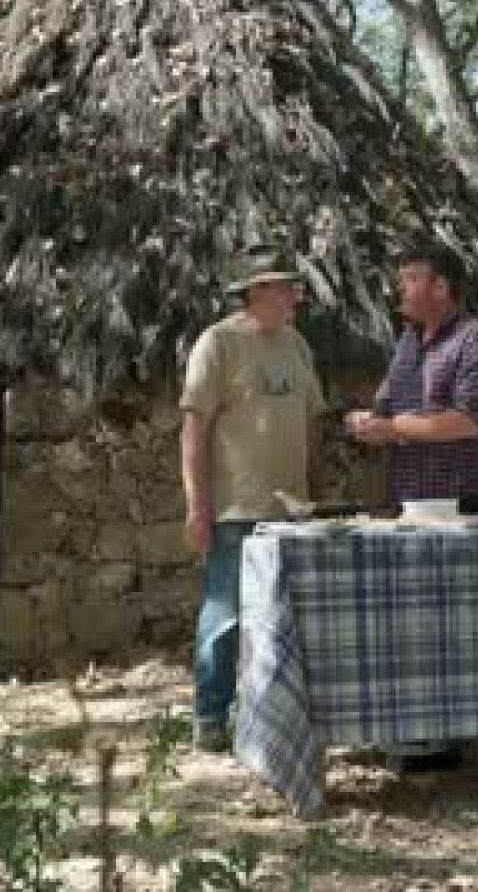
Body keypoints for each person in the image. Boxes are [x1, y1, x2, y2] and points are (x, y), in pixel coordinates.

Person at [345, 242, 478, 771]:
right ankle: (412, 736)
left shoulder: (475, 340)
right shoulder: (407, 344)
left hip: (458, 504)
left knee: (456, 622)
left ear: (441, 287)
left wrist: (393, 429)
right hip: (411, 504)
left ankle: (451, 739)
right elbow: (390, 407)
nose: (400, 288)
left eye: (411, 278)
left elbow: (466, 421)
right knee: (408, 622)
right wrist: (366, 422)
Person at [179, 243, 325, 753]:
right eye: (285, 286)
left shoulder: (298, 346)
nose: (295, 295)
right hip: (235, 509)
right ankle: (210, 715)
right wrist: (198, 508)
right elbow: (193, 432)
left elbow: (308, 422)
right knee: (227, 613)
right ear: (257, 291)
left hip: (292, 510)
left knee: (287, 615)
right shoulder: (216, 345)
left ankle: (274, 715)